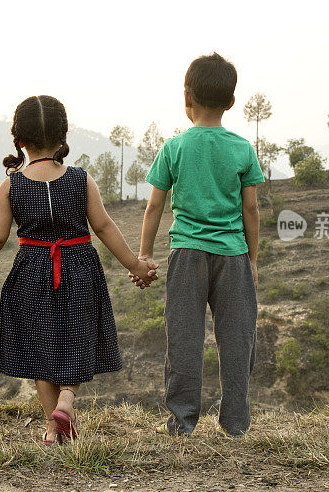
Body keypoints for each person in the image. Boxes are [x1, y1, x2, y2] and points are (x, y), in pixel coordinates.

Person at [0, 95, 158, 445]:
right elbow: (103, 227)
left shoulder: (11, 185)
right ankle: (68, 399)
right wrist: (136, 265)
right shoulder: (81, 179)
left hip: (31, 272)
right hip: (79, 268)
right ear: (63, 137)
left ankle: (52, 428)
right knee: (77, 338)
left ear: (20, 139)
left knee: (38, 350)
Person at [132, 52, 264, 437]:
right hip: (233, 255)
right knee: (238, 340)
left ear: (186, 97)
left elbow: (154, 205)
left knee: (185, 340)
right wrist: (252, 260)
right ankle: (235, 422)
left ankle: (182, 422)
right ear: (232, 101)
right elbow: (251, 210)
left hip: (187, 254)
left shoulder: (174, 148)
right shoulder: (242, 148)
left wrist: (144, 255)